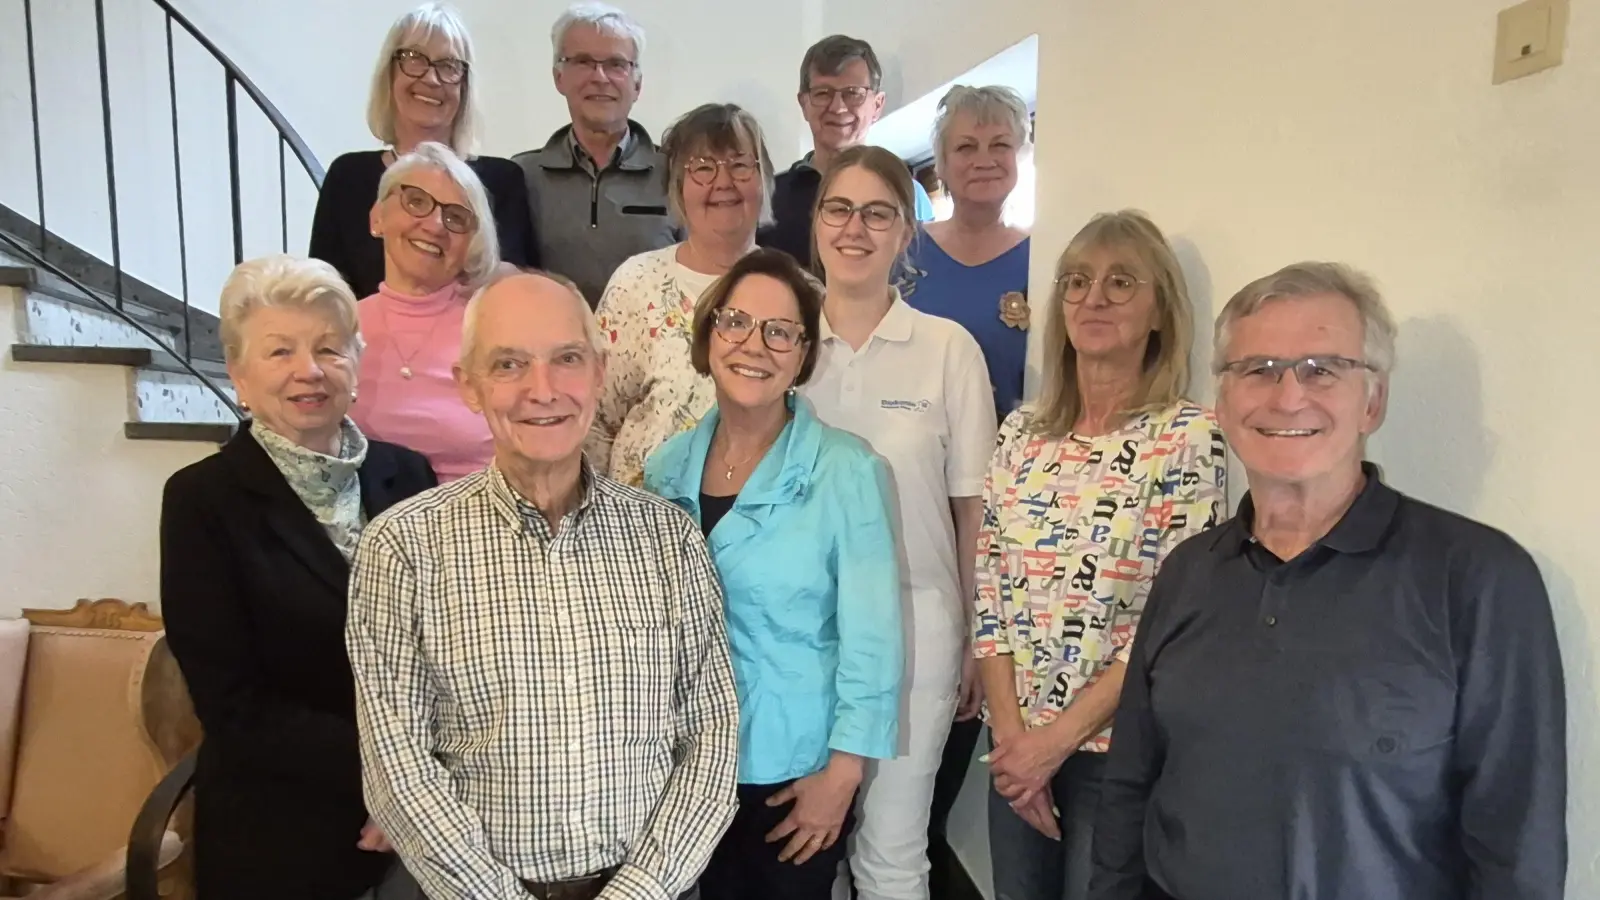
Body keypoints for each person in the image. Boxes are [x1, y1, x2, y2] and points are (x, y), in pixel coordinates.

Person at [1090, 262, 1568, 900]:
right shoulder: (1188, 571)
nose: (1288, 396)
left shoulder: (1479, 578)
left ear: (1373, 399)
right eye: (1256, 369)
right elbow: (1130, 787)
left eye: (1322, 369)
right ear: (1222, 403)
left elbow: (1517, 843)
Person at [347, 269, 740, 900]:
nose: (543, 389)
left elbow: (713, 733)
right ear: (468, 387)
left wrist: (638, 892)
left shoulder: (669, 540)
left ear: (600, 371)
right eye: (508, 364)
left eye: (566, 359)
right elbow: (398, 765)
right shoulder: (401, 548)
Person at [159, 255, 437, 900]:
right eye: (279, 351)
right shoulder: (202, 501)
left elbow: (451, 649)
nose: (308, 370)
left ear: (356, 365)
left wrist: (423, 788)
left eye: (328, 349)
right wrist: (387, 780)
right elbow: (235, 704)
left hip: (430, 830)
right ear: (239, 375)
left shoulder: (411, 477)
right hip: (284, 835)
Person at [973, 212, 1227, 900]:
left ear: (1159, 312)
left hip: (1116, 753)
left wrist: (1056, 742)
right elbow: (991, 596)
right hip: (1016, 744)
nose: (1094, 298)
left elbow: (1176, 621)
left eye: (1121, 282)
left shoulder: (1188, 439)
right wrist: (1015, 741)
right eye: (1078, 281)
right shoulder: (1022, 432)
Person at [643, 249, 903, 900]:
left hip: (792, 778)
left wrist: (842, 777)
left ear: (803, 352)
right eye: (735, 322)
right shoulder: (665, 469)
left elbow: (873, 640)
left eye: (779, 331)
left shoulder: (848, 471)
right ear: (709, 335)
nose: (754, 345)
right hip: (680, 771)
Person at [799, 144, 996, 900]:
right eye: (840, 209)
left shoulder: (947, 349)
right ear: (816, 224)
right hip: (801, 636)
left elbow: (971, 505)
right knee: (806, 851)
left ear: (906, 231)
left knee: (891, 852)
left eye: (878, 213)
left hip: (919, 627)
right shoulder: (782, 346)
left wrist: (980, 636)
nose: (857, 228)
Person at [902, 85, 1034, 858]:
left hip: (1005, 507)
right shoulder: (905, 254)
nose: (983, 160)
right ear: (942, 163)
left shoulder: (1043, 258)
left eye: (999, 145)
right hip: (919, 500)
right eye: (965, 147)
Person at [591, 102, 776, 487]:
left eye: (740, 164)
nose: (723, 182)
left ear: (765, 182)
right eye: (704, 167)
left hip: (764, 530)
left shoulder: (798, 293)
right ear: (678, 187)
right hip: (642, 528)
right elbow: (595, 421)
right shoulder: (635, 284)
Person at [311, 2, 535, 299]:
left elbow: (518, 294)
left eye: (448, 66)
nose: (431, 79)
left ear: (464, 86)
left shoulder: (502, 180)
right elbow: (323, 295)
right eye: (414, 58)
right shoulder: (348, 177)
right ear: (389, 74)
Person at [513, 2, 679, 307]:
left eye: (616, 64)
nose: (600, 77)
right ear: (558, 77)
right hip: (552, 350)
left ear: (637, 84)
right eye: (583, 62)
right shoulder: (520, 176)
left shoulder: (677, 173)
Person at [351, 141, 498, 482]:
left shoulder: (494, 330)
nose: (434, 225)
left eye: (456, 217)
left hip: (472, 526)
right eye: (416, 201)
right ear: (377, 217)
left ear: (472, 242)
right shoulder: (336, 327)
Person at [760, 35, 933, 267]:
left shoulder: (910, 195)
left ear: (877, 105)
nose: (838, 107)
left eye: (853, 93)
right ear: (804, 104)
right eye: (823, 93)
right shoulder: (768, 196)